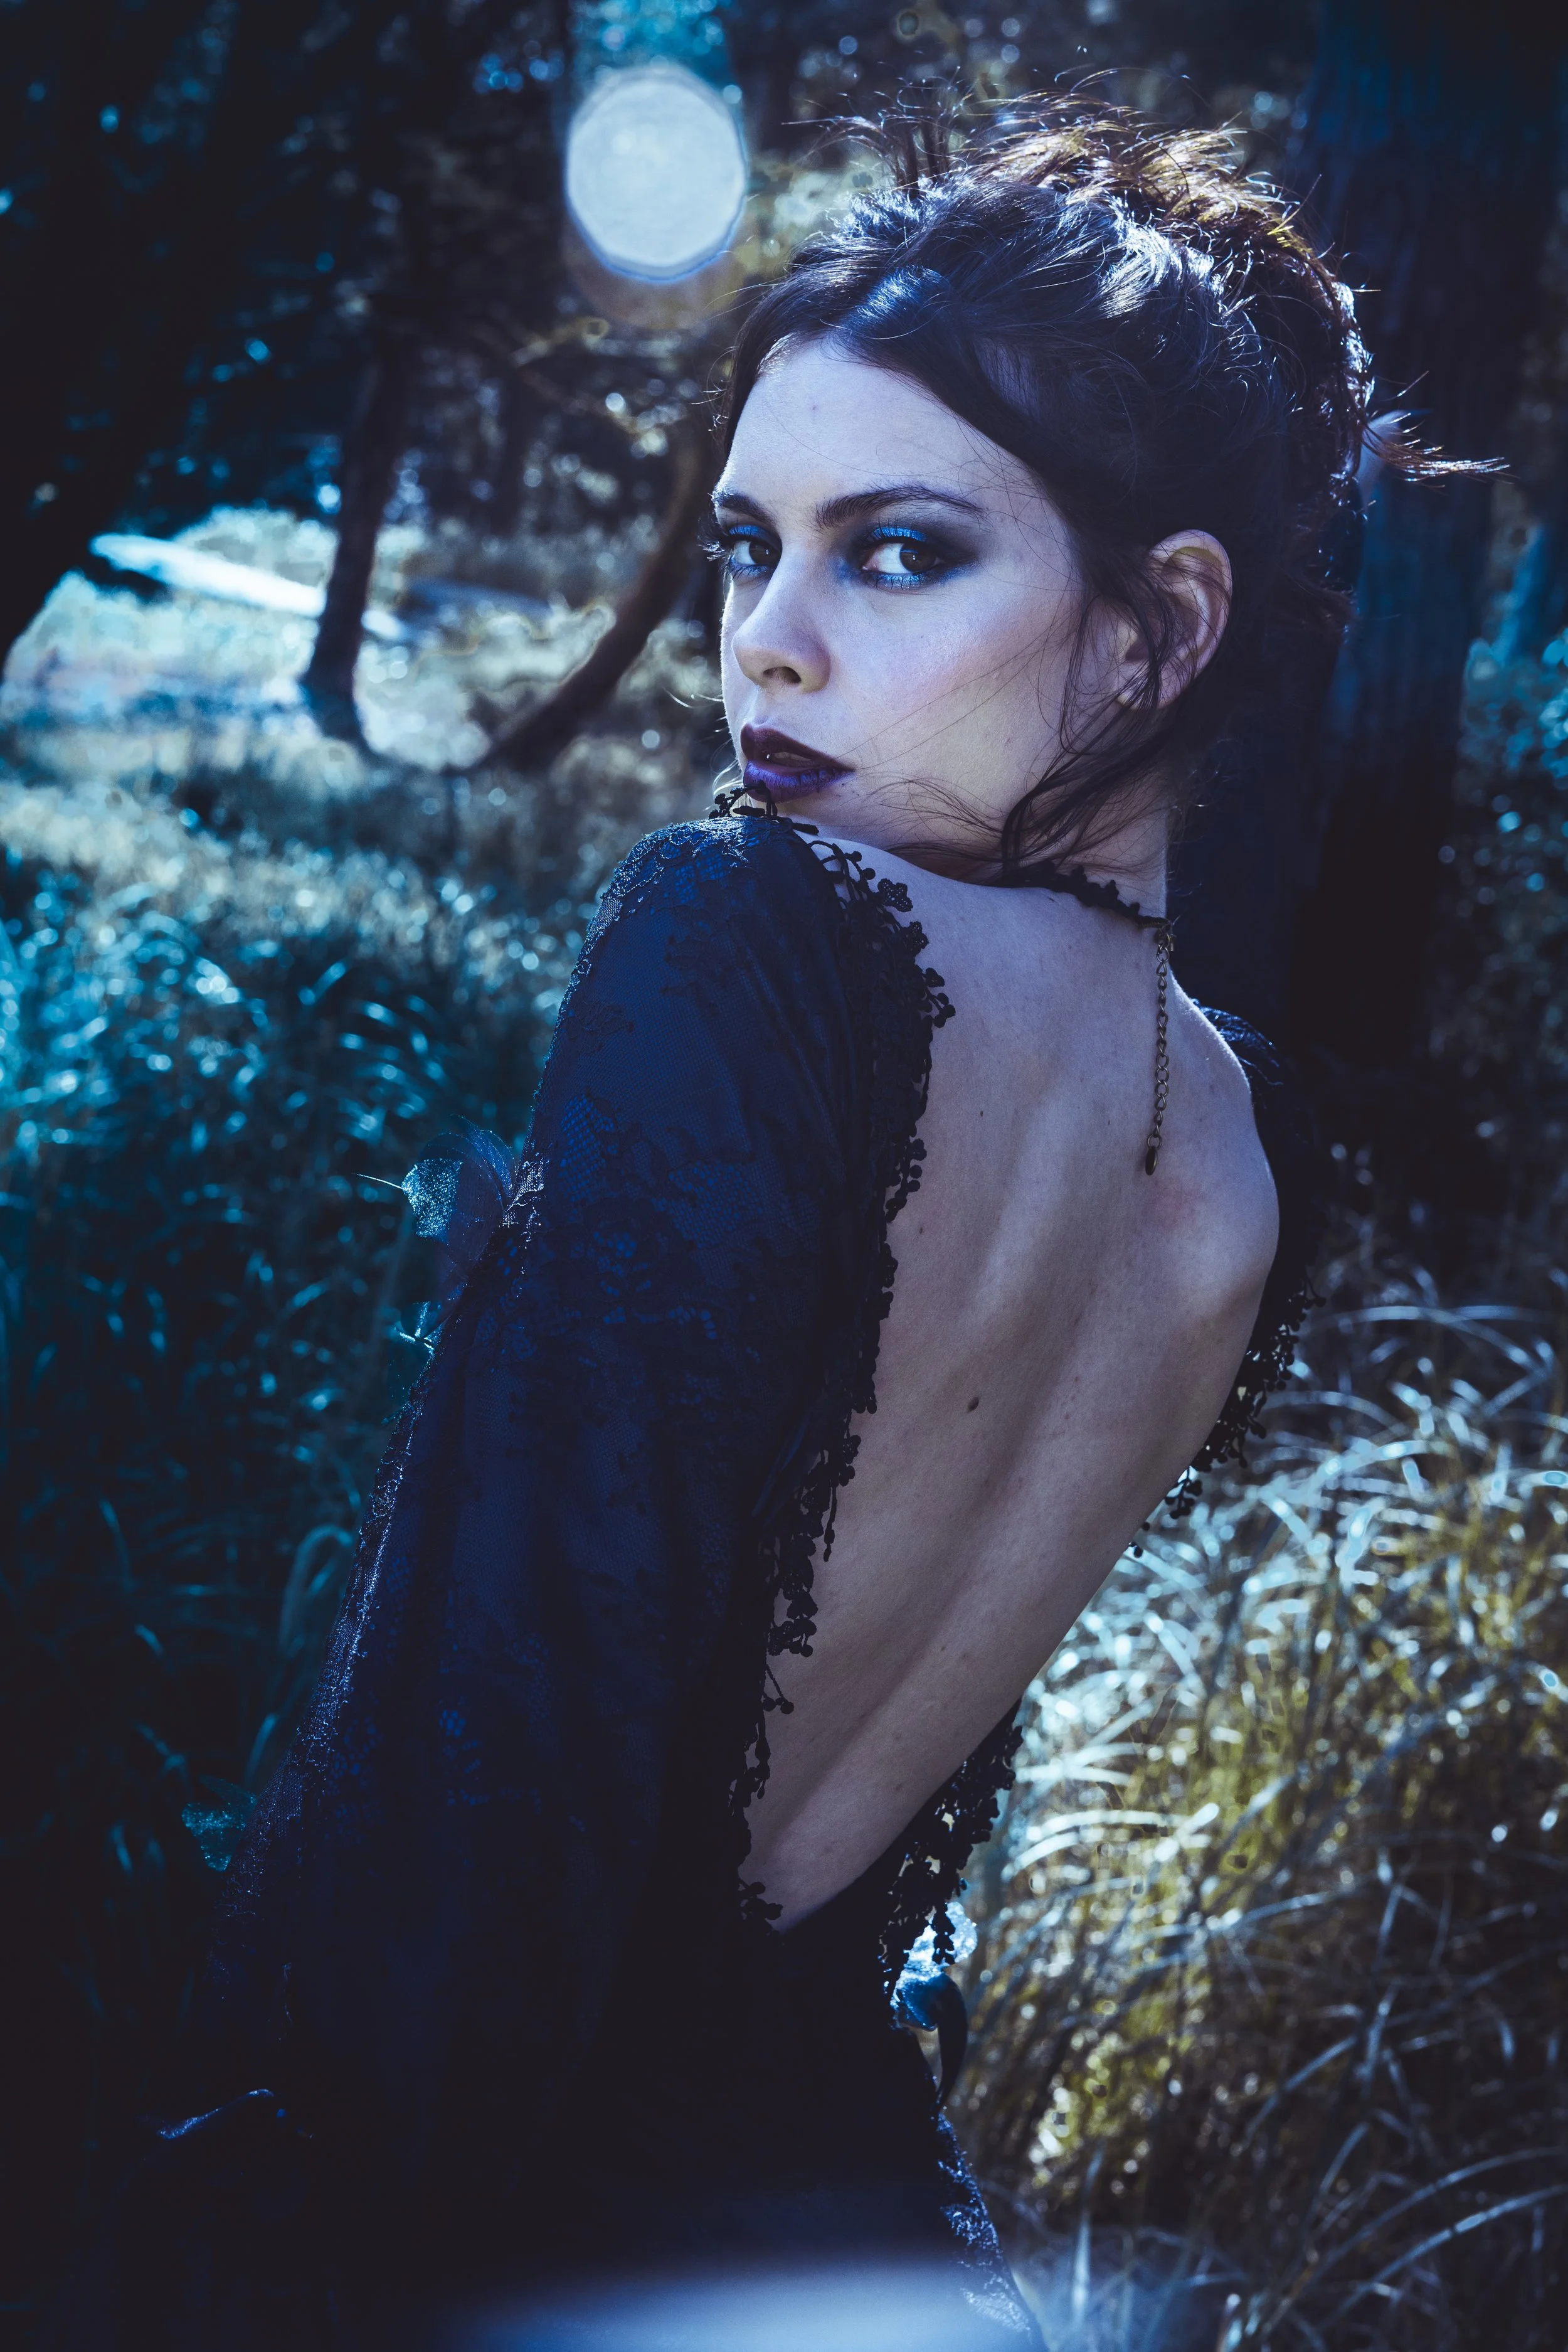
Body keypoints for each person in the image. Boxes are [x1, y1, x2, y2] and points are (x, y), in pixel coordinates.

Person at [66, 97, 1406, 2351]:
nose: (763, 646)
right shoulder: (1241, 1169)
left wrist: (265, 2244)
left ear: (1160, 628)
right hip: (836, 2246)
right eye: (739, 548)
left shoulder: (754, 937)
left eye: (891, 550)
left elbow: (481, 1785)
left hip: (497, 2220)